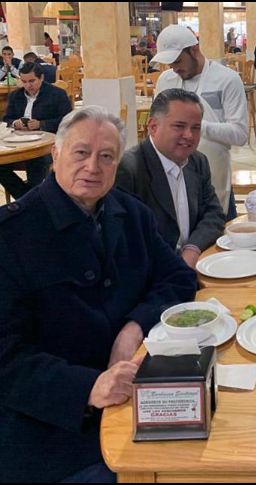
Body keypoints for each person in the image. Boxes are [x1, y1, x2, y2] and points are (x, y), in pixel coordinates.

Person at [0, 106, 198, 482]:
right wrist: (89, 386)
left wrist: (133, 328)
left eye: (106, 156)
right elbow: (6, 361)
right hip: (54, 429)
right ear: (55, 155)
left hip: (139, 398)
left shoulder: (131, 214)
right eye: (80, 153)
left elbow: (177, 278)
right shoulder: (11, 235)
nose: (93, 166)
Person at [117, 88, 225, 268]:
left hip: (195, 266)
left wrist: (192, 248)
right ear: (153, 127)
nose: (189, 135)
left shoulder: (197, 161)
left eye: (195, 128)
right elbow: (129, 241)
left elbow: (213, 214)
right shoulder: (129, 169)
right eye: (179, 126)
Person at [152, 24, 248, 221]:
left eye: (178, 61)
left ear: (194, 50)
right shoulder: (166, 81)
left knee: (216, 233)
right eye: (170, 65)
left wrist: (194, 127)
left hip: (213, 175)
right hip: (171, 176)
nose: (175, 69)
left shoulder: (226, 79)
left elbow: (240, 134)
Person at [0, 62, 72, 200]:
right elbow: (7, 118)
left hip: (48, 146)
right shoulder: (16, 96)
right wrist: (15, 123)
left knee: (36, 161)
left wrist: (42, 124)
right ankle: (30, 199)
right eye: (24, 81)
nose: (28, 85)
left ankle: (28, 201)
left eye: (32, 81)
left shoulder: (56, 94)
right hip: (18, 144)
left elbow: (68, 121)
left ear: (42, 78)